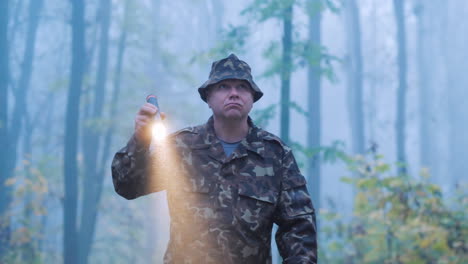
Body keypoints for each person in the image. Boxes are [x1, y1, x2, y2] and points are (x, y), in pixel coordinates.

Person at [111, 54, 317, 263]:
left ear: (252, 99)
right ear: (208, 98)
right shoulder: (180, 148)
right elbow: (127, 185)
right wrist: (140, 139)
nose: (234, 94)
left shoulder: (275, 155)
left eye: (242, 87)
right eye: (224, 87)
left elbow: (299, 226)